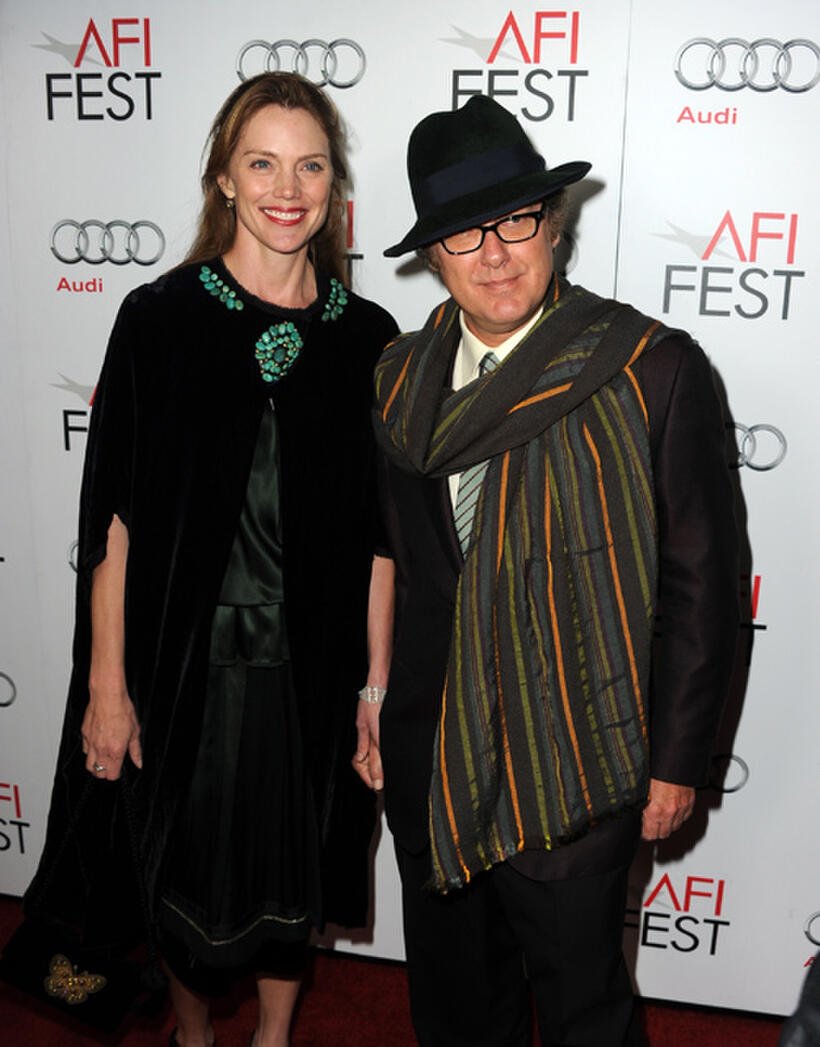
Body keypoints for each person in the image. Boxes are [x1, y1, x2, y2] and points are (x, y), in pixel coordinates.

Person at [354, 94, 739, 1047]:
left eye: (515, 220)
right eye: (461, 233)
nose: (494, 252)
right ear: (432, 256)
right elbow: (397, 560)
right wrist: (372, 693)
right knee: (455, 1010)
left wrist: (676, 762)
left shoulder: (649, 367)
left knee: (583, 1017)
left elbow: (704, 585)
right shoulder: (399, 381)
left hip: (578, 756)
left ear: (553, 225)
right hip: (435, 756)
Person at [27, 73, 397, 1047]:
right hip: (183, 667)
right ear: (224, 181)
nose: (288, 186)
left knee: (292, 874)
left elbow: (379, 537)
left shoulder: (367, 339)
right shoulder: (162, 319)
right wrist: (107, 689)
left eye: (309, 164)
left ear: (333, 185)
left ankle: (272, 1039)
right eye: (262, 162)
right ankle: (192, 1037)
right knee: (178, 875)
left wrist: (375, 685)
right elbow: (113, 522)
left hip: (306, 679)